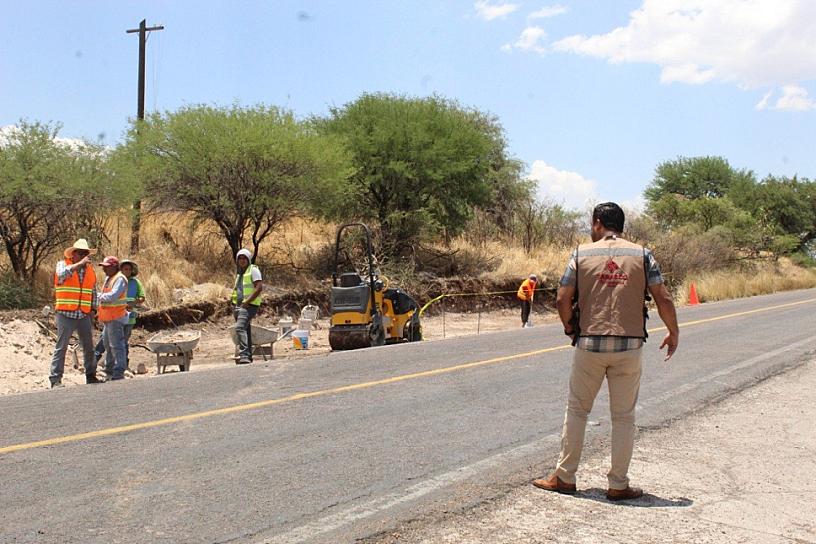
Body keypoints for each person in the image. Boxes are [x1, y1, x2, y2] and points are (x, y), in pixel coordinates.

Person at [532, 202, 680, 501]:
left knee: (577, 410)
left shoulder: (580, 254)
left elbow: (562, 298)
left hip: (589, 345)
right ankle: (618, 484)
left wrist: (570, 329)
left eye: (592, 224)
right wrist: (673, 331)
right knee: (623, 417)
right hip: (630, 346)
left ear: (598, 223)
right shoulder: (642, 254)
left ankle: (564, 477)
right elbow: (662, 297)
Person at [49, 239, 103, 388]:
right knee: (62, 345)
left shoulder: (90, 271)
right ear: (73, 254)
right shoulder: (62, 265)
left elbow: (93, 292)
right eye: (81, 253)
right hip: (66, 312)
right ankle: (55, 379)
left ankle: (91, 375)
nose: (85, 256)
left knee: (88, 346)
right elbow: (60, 275)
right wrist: (78, 265)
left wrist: (93, 310)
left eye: (86, 253)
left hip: (84, 314)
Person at [92, 259, 146, 367]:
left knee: (121, 342)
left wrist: (134, 302)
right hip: (113, 315)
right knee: (107, 340)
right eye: (125, 269)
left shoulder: (134, 282)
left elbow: (141, 297)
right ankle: (102, 362)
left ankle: (122, 366)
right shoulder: (113, 280)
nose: (128, 271)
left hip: (127, 316)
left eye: (129, 269)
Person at [97, 256, 129, 381]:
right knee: (107, 344)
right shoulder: (109, 278)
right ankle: (109, 368)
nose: (104, 269)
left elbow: (113, 296)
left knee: (116, 344)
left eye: (106, 267)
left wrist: (96, 296)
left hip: (116, 317)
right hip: (108, 318)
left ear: (114, 267)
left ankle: (119, 370)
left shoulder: (119, 279)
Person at [231, 249, 263, 364]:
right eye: (240, 258)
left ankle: (244, 355)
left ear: (248, 259)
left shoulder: (253, 270)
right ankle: (248, 356)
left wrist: (246, 303)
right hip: (239, 306)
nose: (242, 260)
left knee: (239, 327)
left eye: (244, 258)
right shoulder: (240, 273)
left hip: (249, 305)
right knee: (245, 329)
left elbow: (258, 287)